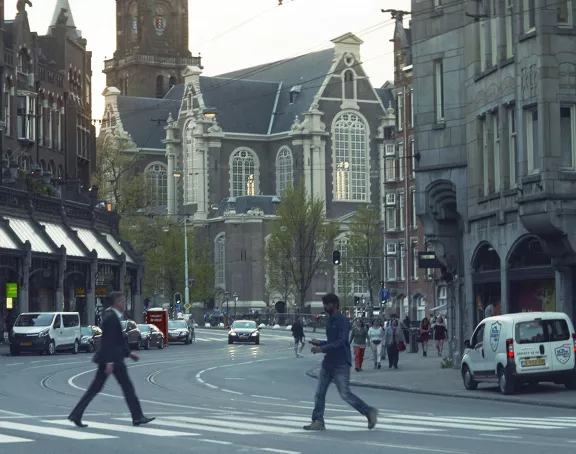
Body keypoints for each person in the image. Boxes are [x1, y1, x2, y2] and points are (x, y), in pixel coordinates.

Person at [68, 291, 155, 428]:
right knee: (127, 387)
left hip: (112, 359)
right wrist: (110, 362)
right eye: (122, 301)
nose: (124, 304)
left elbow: (117, 340)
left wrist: (129, 353)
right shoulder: (111, 318)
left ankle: (76, 414)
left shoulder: (113, 316)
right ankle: (137, 416)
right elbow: (107, 341)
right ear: (116, 302)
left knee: (96, 388)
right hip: (113, 360)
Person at [304, 293, 378, 431]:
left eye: (327, 304)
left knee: (345, 394)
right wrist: (320, 343)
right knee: (319, 393)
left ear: (334, 304)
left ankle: (369, 411)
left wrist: (322, 348)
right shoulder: (330, 319)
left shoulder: (343, 320)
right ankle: (318, 421)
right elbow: (333, 342)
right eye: (324, 304)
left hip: (340, 363)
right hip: (328, 363)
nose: (325, 307)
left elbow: (341, 342)